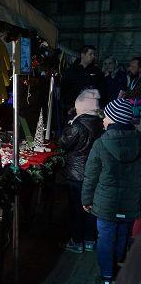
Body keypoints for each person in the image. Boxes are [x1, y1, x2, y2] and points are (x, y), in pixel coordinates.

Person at [82, 98, 141, 284]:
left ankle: (107, 277)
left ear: (114, 119)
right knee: (123, 235)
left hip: (106, 205)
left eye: (106, 116)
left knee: (106, 238)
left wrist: (86, 199)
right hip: (130, 203)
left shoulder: (100, 144)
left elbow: (91, 175)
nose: (103, 119)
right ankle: (118, 268)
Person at [58, 89, 103, 253]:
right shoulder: (101, 123)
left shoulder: (76, 126)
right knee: (91, 207)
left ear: (81, 107)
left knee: (76, 209)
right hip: (94, 174)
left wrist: (69, 123)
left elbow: (63, 143)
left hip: (76, 175)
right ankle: (90, 240)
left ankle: (77, 242)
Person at [62, 45, 103, 113]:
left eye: (94, 54)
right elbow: (64, 89)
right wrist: (68, 106)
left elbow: (101, 89)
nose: (93, 56)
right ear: (83, 55)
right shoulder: (71, 71)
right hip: (73, 109)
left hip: (92, 109)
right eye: (90, 54)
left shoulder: (97, 71)